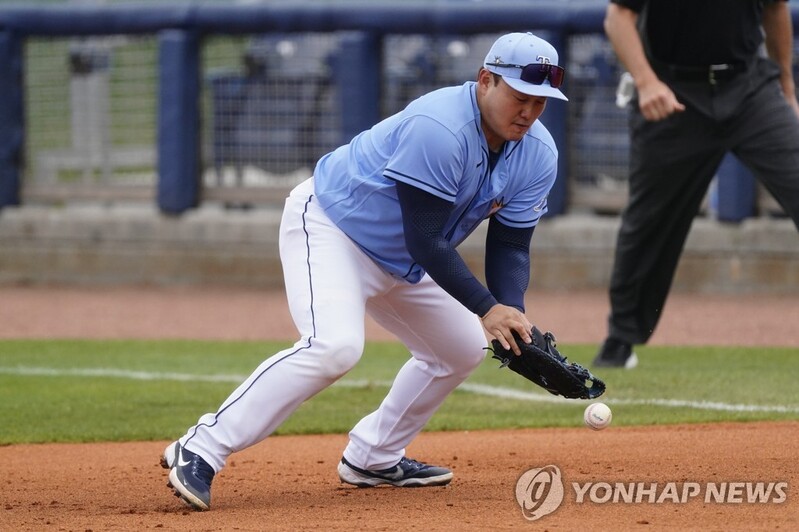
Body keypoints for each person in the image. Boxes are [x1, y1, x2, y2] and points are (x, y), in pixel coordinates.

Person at [160, 31, 568, 511]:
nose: (529, 111)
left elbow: (511, 245)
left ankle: (374, 457)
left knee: (460, 349)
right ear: (485, 81)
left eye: (540, 102)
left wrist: (511, 315)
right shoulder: (440, 127)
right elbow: (425, 238)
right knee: (335, 347)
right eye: (520, 96)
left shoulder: (538, 153)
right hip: (333, 229)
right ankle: (201, 447)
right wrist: (486, 307)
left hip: (405, 258)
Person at [593, 0, 799, 369]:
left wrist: (786, 85)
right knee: (649, 221)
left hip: (749, 85)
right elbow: (618, 18)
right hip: (672, 89)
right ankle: (621, 339)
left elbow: (775, 8)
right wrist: (646, 82)